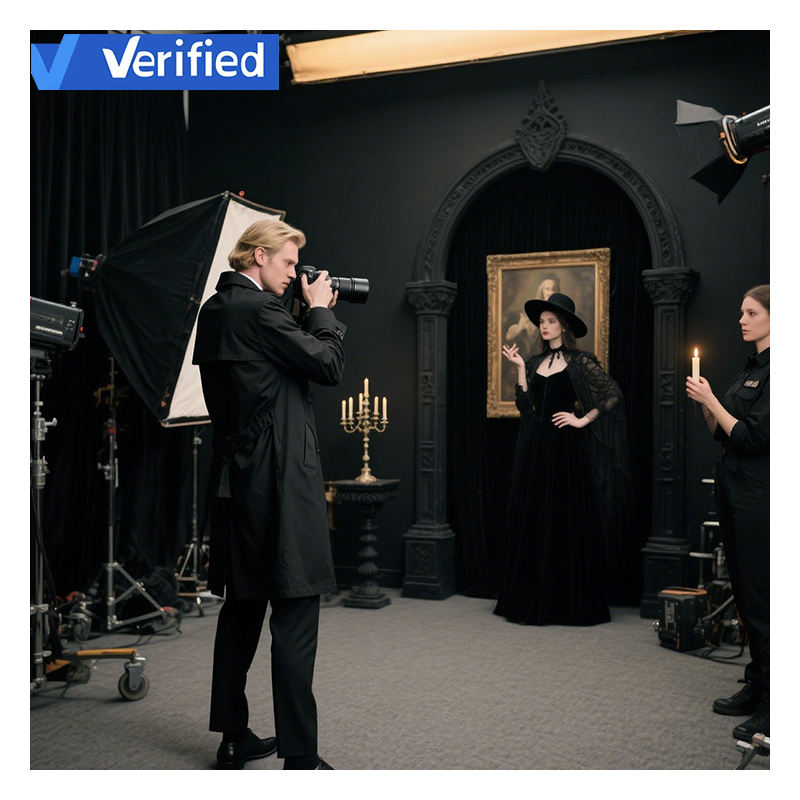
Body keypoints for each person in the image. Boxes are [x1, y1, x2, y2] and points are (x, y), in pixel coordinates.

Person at [192, 218, 345, 770]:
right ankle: (301, 758)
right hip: (280, 483)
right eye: (287, 263)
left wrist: (299, 314)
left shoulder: (215, 310)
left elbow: (264, 377)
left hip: (236, 485)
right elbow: (327, 364)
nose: (293, 273)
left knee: (241, 611)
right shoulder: (259, 311)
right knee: (296, 611)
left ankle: (233, 737)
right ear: (258, 255)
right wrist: (321, 313)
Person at [494, 292, 631, 626]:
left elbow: (612, 395)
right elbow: (527, 409)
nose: (544, 326)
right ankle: (532, 599)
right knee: (536, 519)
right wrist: (519, 370)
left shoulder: (581, 361)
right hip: (536, 452)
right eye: (542, 322)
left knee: (565, 520)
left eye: (551, 321)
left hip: (567, 452)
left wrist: (582, 420)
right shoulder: (534, 362)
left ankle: (565, 603)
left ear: (564, 326)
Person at [686, 285, 769, 741]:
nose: (742, 319)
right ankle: (757, 685)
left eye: (751, 312)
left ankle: (775, 704)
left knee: (763, 600)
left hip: (760, 497)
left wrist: (713, 401)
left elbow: (754, 438)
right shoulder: (750, 367)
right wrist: (708, 405)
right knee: (745, 594)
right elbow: (723, 432)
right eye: (741, 312)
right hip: (734, 492)